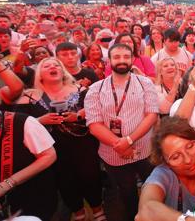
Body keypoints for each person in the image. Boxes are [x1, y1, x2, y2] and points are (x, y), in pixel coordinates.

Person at [11, 57, 105, 221]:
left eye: (56, 65)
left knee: (91, 176)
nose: (52, 67)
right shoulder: (30, 96)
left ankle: (98, 210)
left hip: (82, 143)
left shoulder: (79, 89)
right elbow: (18, 123)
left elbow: (95, 109)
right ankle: (78, 212)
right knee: (64, 181)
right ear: (40, 74)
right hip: (52, 149)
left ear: (63, 71)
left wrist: (77, 115)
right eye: (47, 66)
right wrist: (40, 121)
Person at [85, 43, 159, 221]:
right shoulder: (96, 89)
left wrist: (128, 141)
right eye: (117, 57)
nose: (122, 60)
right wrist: (118, 145)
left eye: (126, 57)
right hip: (113, 154)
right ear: (109, 60)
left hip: (143, 149)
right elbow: (94, 124)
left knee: (152, 187)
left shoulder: (145, 83)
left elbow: (151, 115)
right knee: (126, 192)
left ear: (132, 59)